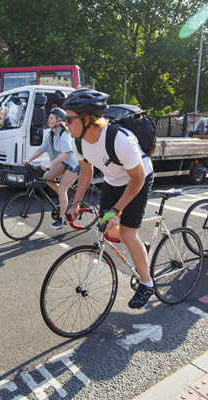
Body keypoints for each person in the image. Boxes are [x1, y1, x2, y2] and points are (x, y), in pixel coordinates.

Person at [64, 89, 155, 309]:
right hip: (113, 182)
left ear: (86, 119)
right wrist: (75, 204)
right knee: (106, 228)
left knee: (126, 232)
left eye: (68, 119)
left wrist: (116, 210)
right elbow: (86, 173)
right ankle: (141, 248)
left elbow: (137, 179)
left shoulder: (119, 140)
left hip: (137, 180)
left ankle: (147, 283)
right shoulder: (78, 142)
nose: (65, 124)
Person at [24, 108, 80, 229]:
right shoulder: (50, 134)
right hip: (65, 163)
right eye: (49, 117)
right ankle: (63, 198)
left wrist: (50, 165)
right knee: (47, 177)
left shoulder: (64, 134)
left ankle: (62, 219)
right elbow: (41, 149)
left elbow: (65, 153)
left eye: (51, 118)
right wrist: (30, 160)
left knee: (62, 189)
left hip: (75, 164)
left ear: (59, 120)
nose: (48, 120)